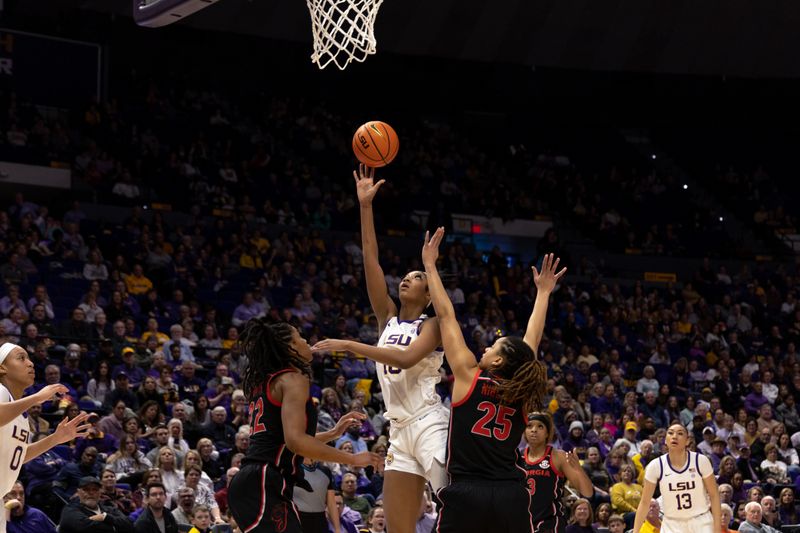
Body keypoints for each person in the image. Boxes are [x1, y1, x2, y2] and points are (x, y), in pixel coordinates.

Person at [311, 165, 449, 533]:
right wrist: (365, 206)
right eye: (406, 275)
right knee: (396, 527)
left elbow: (404, 359)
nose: (408, 277)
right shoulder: (387, 317)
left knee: (457, 506)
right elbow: (370, 258)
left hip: (430, 422)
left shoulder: (433, 325)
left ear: (429, 294)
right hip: (399, 429)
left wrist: (349, 345)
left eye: (418, 277)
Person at [419, 229, 560, 533]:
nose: (485, 348)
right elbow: (530, 344)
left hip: (467, 491)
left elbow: (446, 316)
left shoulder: (469, 376)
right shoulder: (521, 390)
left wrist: (430, 266)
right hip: (510, 493)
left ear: (497, 361)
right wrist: (544, 294)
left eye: (492, 348)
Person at [227, 320, 380, 533]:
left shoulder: (270, 381)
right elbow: (296, 442)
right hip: (264, 479)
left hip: (256, 479)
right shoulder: (293, 378)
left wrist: (334, 433)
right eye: (300, 336)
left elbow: (284, 441)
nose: (307, 341)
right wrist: (352, 459)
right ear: (289, 347)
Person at [0, 343, 91, 533]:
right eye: (21, 358)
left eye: (29, 358)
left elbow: (17, 457)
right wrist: (36, 397)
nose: (31, 363)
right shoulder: (1, 391)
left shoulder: (20, 416)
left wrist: (56, 439)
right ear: (2, 367)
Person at [634, 423, 722, 533]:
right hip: (672, 524)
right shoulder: (655, 466)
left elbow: (714, 495)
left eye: (680, 433)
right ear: (665, 440)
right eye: (670, 433)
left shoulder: (701, 461)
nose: (674, 436)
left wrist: (718, 529)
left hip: (701, 521)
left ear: (687, 441)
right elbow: (644, 502)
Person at [519, 411, 594, 533]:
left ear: (547, 433)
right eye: (530, 426)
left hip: (550, 523)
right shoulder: (518, 457)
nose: (534, 430)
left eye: (540, 426)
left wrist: (579, 470)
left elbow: (587, 492)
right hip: (523, 522)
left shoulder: (558, 456)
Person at [58, 477, 134, 533]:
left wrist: (105, 517)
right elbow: (84, 528)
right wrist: (115, 527)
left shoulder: (109, 508)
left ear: (100, 492)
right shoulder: (69, 509)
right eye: (86, 489)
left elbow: (128, 524)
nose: (91, 493)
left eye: (95, 489)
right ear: (78, 492)